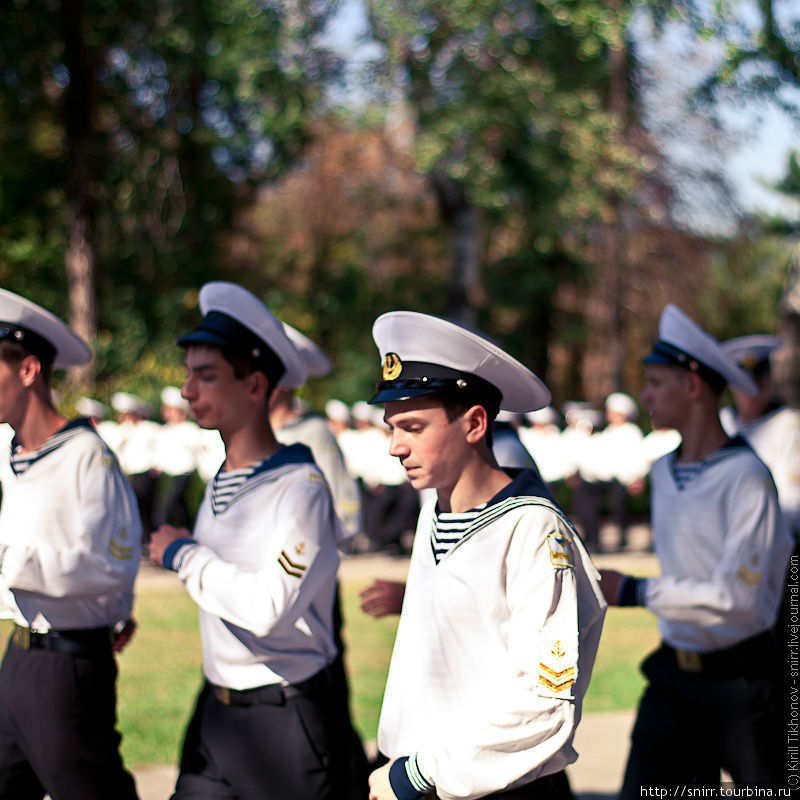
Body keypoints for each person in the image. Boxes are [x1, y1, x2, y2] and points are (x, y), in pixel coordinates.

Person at [363, 311, 606, 800]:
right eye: (391, 427)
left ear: (474, 423)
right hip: (426, 773)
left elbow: (544, 699)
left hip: (493, 786)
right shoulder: (436, 505)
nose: (395, 447)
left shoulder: (533, 528)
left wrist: (418, 774)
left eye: (412, 427)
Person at [148, 281, 358, 800]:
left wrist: (183, 554)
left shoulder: (300, 488)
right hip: (217, 715)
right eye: (189, 376)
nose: (187, 392)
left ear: (256, 385)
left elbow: (267, 608)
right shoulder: (223, 477)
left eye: (208, 376)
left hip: (283, 721)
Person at [600, 304, 793, 793]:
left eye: (656, 382)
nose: (644, 395)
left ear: (692, 387)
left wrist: (636, 591)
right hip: (674, 679)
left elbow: (741, 602)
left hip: (744, 685)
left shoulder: (747, 478)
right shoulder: (664, 471)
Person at [0, 288, 141, 799]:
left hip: (67, 665)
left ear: (29, 370)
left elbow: (113, 566)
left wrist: (14, 565)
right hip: (19, 652)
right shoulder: (10, 449)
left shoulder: (86, 456)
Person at [720, 334, 800, 538]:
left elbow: (792, 499)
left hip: (776, 537)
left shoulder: (789, 425)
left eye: (759, 384)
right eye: (745, 386)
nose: (753, 393)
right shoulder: (722, 423)